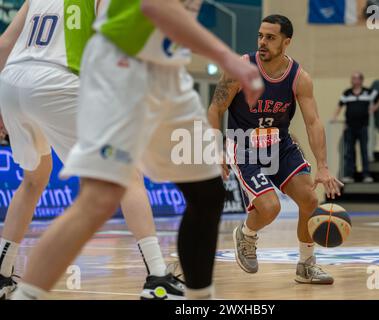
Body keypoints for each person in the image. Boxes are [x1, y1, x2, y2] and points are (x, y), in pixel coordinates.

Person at [10, 0, 263, 300]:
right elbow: (152, 5)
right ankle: (24, 295)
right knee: (99, 198)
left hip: (168, 70)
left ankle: (195, 299)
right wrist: (227, 58)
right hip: (121, 66)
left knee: (207, 191)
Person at [0, 0, 186, 300]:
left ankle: (1, 273)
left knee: (34, 179)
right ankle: (158, 278)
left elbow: (4, 43)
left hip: (11, 83)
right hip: (58, 81)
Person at [208, 15, 342, 284]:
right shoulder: (240, 69)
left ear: (286, 42)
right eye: (260, 36)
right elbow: (216, 109)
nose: (262, 42)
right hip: (244, 145)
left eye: (270, 37)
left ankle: (306, 265)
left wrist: (323, 165)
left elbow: (313, 122)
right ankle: (246, 235)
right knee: (270, 208)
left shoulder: (299, 78)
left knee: (310, 200)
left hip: (279, 144)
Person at [332, 72, 379, 183]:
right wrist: (334, 117)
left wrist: (374, 108)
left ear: (361, 80)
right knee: (349, 152)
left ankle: (366, 175)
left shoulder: (368, 92)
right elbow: (339, 105)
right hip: (350, 127)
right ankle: (349, 175)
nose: (354, 80)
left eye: (356, 78)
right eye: (352, 78)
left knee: (364, 151)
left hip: (363, 127)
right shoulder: (347, 93)